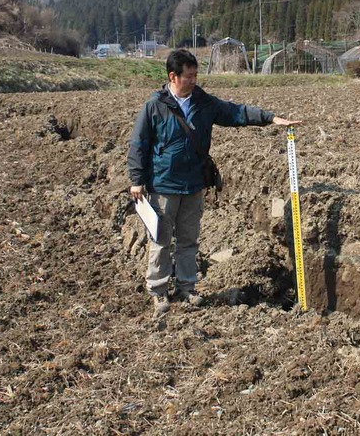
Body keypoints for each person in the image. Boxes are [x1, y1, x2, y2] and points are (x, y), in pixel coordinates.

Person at [128, 49, 300, 315]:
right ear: (173, 76)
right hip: (163, 185)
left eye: (196, 75)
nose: (194, 80)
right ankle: (159, 291)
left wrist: (269, 118)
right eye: (189, 76)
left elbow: (235, 112)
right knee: (161, 241)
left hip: (194, 184)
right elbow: (139, 144)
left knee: (188, 240)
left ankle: (187, 289)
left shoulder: (203, 102)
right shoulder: (155, 106)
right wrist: (137, 180)